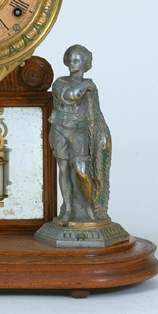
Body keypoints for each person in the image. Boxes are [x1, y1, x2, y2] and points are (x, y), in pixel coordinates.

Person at [49, 44, 111, 225]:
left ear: (85, 63)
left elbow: (96, 114)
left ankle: (89, 206)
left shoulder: (91, 88)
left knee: (81, 171)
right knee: (63, 169)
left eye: (76, 60)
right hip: (60, 129)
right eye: (69, 60)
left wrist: (101, 135)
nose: (71, 63)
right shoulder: (60, 82)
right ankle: (68, 209)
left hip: (79, 132)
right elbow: (70, 96)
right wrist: (86, 84)